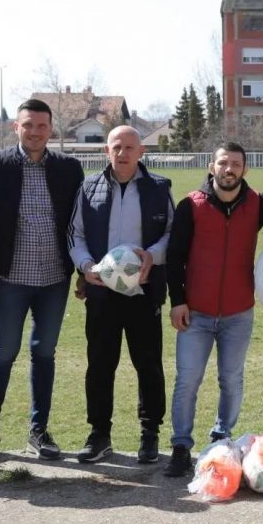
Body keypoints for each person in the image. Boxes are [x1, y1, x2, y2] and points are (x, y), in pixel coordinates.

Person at [163, 142, 263, 477]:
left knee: (231, 379)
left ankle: (221, 437)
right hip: (196, 313)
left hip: (238, 313)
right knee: (188, 381)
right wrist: (178, 301)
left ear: (245, 169)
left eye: (236, 164)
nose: (229, 170)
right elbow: (174, 257)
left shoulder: (256, 202)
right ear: (211, 167)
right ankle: (181, 447)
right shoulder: (191, 205)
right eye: (223, 163)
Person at [0, 99, 84, 461]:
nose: (35, 132)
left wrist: (84, 273)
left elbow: (81, 224)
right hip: (10, 279)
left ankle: (39, 431)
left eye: (41, 126)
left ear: (51, 129)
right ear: (15, 127)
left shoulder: (69, 169)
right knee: (3, 354)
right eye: (28, 125)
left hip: (55, 279)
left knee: (44, 353)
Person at [68, 125, 174, 464]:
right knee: (100, 364)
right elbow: (75, 234)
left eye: (130, 147)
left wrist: (152, 255)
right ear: (106, 151)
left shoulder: (159, 187)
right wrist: (86, 266)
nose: (122, 153)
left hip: (143, 293)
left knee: (148, 364)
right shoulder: (88, 187)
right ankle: (99, 434)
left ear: (141, 151)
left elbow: (172, 232)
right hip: (102, 293)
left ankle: (150, 433)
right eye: (116, 146)